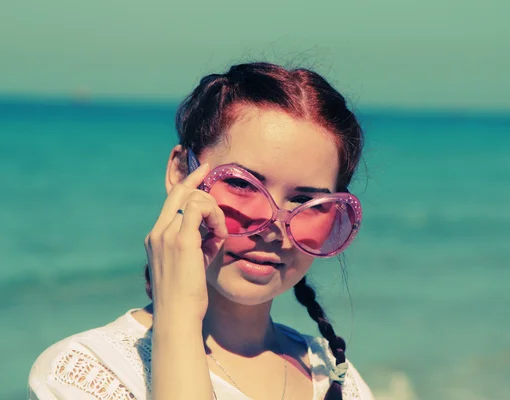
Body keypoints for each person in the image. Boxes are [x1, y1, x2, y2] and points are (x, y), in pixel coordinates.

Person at [28, 62, 374, 400]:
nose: (272, 228)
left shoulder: (334, 375)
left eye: (304, 201)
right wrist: (178, 314)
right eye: (241, 184)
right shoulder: (90, 373)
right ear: (181, 172)